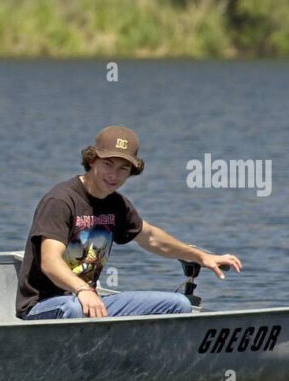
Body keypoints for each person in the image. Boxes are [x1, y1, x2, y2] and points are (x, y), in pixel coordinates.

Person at [16, 125, 242, 320]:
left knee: (178, 304)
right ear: (92, 160)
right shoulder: (61, 200)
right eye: (108, 164)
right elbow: (50, 262)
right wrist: (83, 289)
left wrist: (202, 256)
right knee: (76, 308)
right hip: (44, 307)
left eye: (123, 168)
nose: (114, 175)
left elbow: (152, 238)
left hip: (88, 300)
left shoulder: (117, 204)